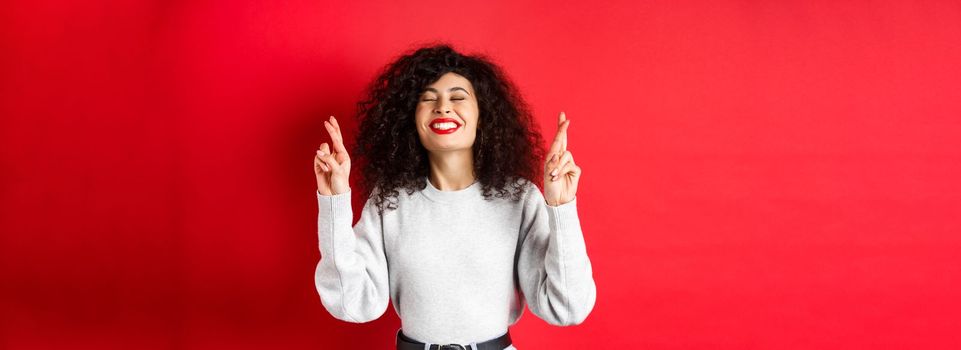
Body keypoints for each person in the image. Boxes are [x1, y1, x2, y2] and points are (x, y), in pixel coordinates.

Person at [312, 44, 596, 350]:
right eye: (428, 99)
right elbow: (351, 303)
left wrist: (562, 208)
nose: (443, 107)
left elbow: (566, 307)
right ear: (411, 120)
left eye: (458, 97)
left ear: (482, 116)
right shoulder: (390, 202)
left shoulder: (521, 199)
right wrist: (335, 204)